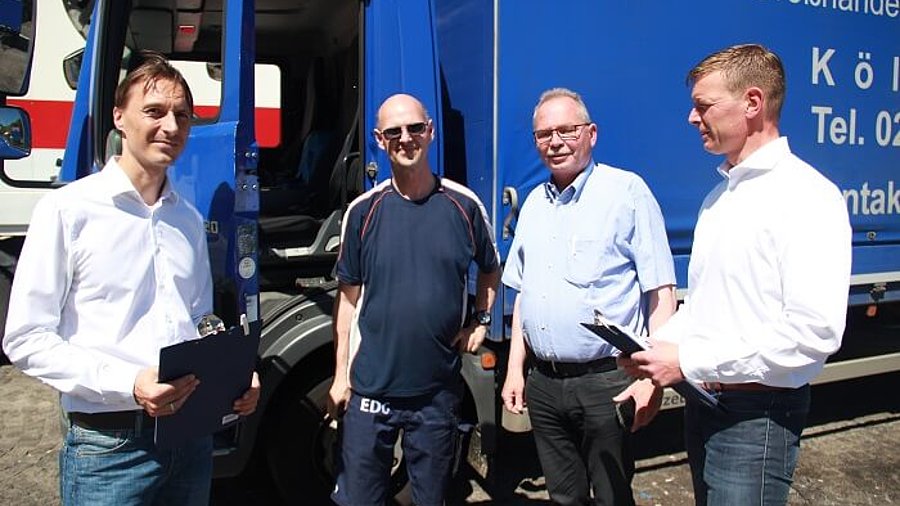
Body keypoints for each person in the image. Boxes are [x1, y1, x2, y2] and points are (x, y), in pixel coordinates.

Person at [2, 51, 260, 506]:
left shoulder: (187, 220)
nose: (171, 126)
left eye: (182, 115)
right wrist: (130, 383)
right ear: (120, 118)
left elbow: (200, 320)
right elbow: (26, 338)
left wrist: (234, 377)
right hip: (110, 449)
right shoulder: (68, 211)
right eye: (154, 111)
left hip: (189, 439)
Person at [620, 44, 852, 505]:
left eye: (703, 105)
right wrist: (653, 360)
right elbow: (706, 306)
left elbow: (813, 334)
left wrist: (687, 363)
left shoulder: (807, 197)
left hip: (756, 415)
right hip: (705, 404)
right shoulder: (720, 198)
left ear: (752, 103)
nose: (691, 117)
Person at [501, 87, 677, 506]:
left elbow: (661, 292)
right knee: (564, 496)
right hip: (544, 384)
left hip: (606, 382)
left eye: (567, 130)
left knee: (613, 496)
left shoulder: (627, 193)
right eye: (544, 134)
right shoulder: (532, 206)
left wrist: (652, 379)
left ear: (591, 133)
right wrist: (514, 370)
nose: (555, 142)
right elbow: (525, 294)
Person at [327, 93, 500, 506]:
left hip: (436, 392)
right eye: (394, 132)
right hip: (371, 390)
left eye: (414, 128)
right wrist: (339, 379)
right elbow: (347, 304)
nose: (405, 138)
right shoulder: (363, 212)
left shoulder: (464, 206)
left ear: (431, 131)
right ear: (379, 140)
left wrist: (481, 320)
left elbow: (491, 269)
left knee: (432, 499)